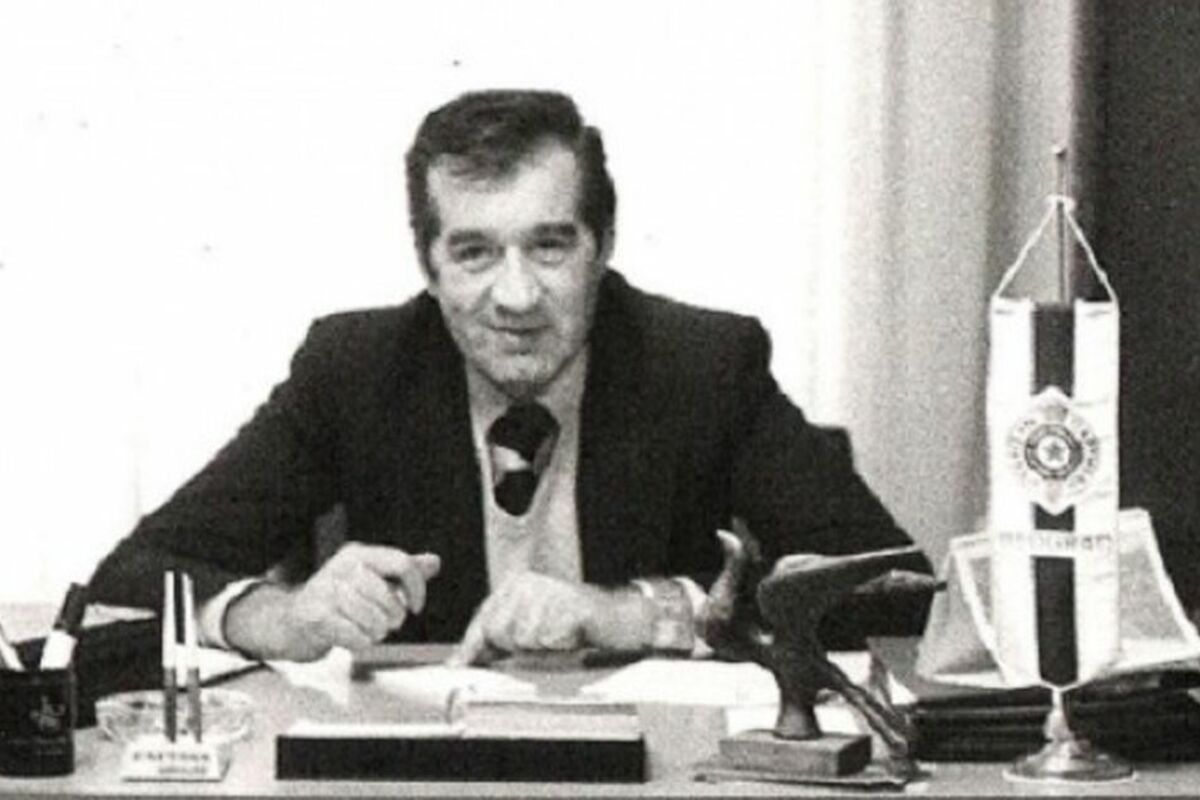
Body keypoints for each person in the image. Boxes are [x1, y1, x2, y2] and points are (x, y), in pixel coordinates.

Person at [88, 89, 929, 664]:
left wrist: (631, 613)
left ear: (602, 246)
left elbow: (897, 591)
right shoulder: (355, 369)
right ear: (428, 265)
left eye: (550, 246)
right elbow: (134, 573)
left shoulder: (703, 364)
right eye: (475, 253)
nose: (517, 297)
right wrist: (281, 616)